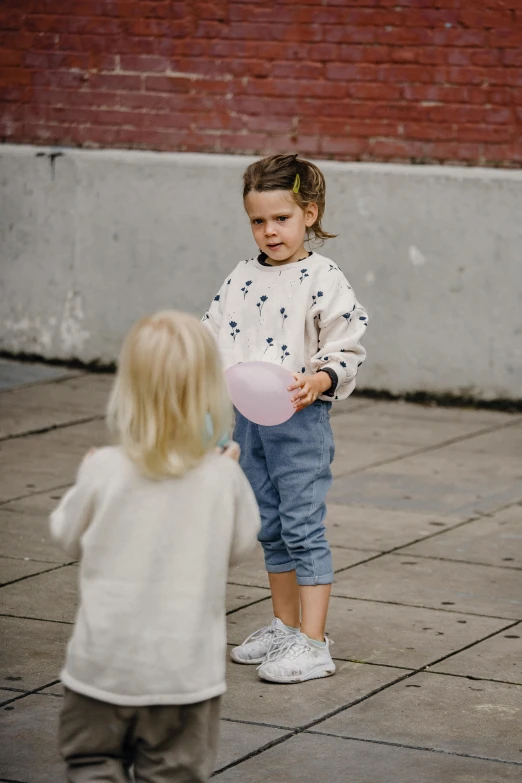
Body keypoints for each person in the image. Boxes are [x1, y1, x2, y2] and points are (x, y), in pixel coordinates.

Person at [50, 310, 260, 783]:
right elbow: (243, 543)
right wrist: (230, 472)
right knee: (173, 775)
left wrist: (85, 478)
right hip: (184, 678)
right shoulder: (222, 477)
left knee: (91, 765)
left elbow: (65, 533)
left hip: (101, 671)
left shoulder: (104, 467)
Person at [203, 153, 368, 684]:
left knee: (302, 526)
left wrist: (320, 379)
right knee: (270, 526)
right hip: (249, 421)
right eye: (258, 220)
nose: (269, 231)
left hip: (298, 421)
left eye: (282, 218)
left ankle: (314, 644)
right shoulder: (240, 276)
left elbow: (346, 344)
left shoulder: (322, 276)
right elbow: (212, 333)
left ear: (310, 215)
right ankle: (284, 625)